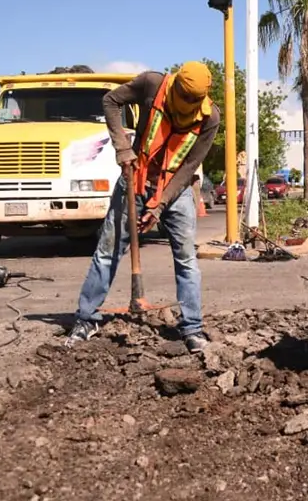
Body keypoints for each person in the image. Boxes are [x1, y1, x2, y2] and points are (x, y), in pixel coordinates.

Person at [66, 62, 221, 353]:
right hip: (134, 179)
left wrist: (160, 204)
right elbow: (110, 100)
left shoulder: (210, 117)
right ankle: (86, 319)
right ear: (175, 90)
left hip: (177, 190)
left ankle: (192, 328)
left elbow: (189, 166)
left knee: (187, 259)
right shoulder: (152, 85)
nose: (186, 109)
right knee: (108, 252)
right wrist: (122, 147)